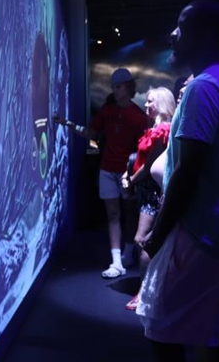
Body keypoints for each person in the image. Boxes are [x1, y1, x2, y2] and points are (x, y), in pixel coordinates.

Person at [136, 0, 219, 362]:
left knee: (162, 328)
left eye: (182, 27)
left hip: (198, 232)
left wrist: (157, 236)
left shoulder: (203, 88)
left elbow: (188, 171)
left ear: (207, 35)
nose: (173, 35)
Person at [54, 68, 149, 278]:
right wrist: (67, 124)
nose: (115, 91)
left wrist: (135, 173)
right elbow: (91, 133)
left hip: (127, 172)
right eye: (113, 87)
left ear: (128, 88)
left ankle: (127, 254)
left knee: (130, 213)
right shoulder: (108, 111)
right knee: (113, 215)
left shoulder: (139, 117)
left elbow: (143, 148)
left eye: (118, 87)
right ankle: (117, 261)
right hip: (107, 168)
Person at [123, 87, 176, 311]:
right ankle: (150, 290)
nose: (146, 105)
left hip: (153, 192)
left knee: (143, 240)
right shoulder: (157, 128)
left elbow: (149, 166)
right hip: (147, 190)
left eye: (150, 101)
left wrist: (130, 180)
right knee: (147, 240)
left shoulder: (163, 130)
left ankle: (146, 292)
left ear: (161, 103)